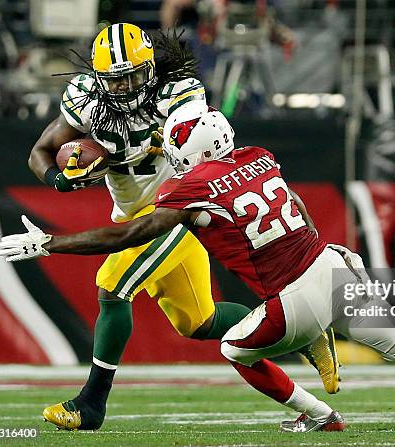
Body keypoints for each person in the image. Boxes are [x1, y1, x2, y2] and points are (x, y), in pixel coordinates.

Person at [1, 103, 395, 433]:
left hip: (294, 297)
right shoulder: (259, 155)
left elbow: (126, 233)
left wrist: (51, 243)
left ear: (191, 146)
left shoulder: (192, 185)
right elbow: (297, 210)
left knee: (234, 348)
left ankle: (318, 414)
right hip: (333, 263)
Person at [25, 22, 339, 431]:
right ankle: (302, 336)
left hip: (176, 210)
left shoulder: (178, 93)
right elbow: (41, 151)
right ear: (100, 79)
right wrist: (58, 179)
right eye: (115, 81)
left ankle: (91, 404)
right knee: (199, 323)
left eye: (134, 76)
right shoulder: (85, 97)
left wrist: (133, 149)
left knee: (114, 286)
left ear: (150, 68)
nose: (125, 88)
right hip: (130, 212)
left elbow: (204, 147)